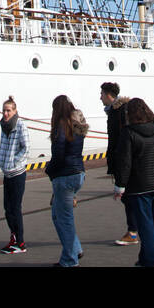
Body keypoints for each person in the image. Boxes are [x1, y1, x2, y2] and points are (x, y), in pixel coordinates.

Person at [112, 97, 154, 267]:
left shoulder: (129, 132)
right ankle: (145, 260)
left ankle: (152, 263)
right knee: (150, 229)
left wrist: (120, 186)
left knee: (146, 231)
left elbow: (125, 162)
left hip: (139, 187)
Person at [46, 94, 89, 266]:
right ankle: (75, 250)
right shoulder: (77, 126)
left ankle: (70, 259)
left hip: (65, 176)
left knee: (64, 219)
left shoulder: (61, 126)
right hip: (78, 173)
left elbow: (59, 154)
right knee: (57, 215)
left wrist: (49, 170)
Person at [100, 82, 138, 246]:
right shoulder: (115, 112)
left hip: (124, 161)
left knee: (128, 196)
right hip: (121, 160)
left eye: (101, 94)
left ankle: (133, 231)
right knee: (128, 197)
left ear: (109, 95)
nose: (100, 97)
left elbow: (121, 140)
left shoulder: (119, 112)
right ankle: (138, 228)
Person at [0, 96, 29, 253]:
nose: (5, 113)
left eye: (8, 110)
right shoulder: (4, 126)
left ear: (15, 111)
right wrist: (3, 163)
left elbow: (26, 148)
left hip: (17, 173)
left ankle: (21, 243)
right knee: (7, 208)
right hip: (7, 173)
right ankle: (14, 238)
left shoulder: (20, 125)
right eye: (4, 110)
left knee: (15, 208)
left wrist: (14, 163)